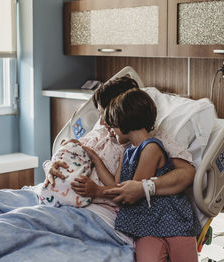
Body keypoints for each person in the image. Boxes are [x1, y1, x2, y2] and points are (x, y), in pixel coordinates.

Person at [45, 76, 196, 206]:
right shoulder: (101, 132)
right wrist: (53, 163)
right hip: (61, 193)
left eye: (105, 115)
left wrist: (145, 188)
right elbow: (72, 151)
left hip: (97, 208)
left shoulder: (151, 142)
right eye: (101, 115)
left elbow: (187, 173)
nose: (102, 122)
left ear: (122, 112)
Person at [103, 88, 200, 262]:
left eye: (113, 124)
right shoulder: (126, 152)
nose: (108, 129)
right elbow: (119, 186)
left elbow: (133, 189)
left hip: (172, 219)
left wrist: (98, 191)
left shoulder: (151, 147)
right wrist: (94, 159)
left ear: (125, 120)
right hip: (144, 225)